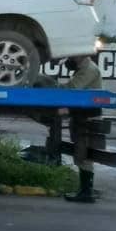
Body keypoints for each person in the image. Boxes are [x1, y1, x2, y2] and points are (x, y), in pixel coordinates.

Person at [34, 55, 103, 203]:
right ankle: (85, 190)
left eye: (72, 55)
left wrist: (50, 84)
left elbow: (72, 89)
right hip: (82, 117)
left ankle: (86, 192)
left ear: (81, 55)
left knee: (84, 155)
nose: (69, 58)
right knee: (81, 155)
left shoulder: (89, 70)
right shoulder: (83, 69)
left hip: (87, 118)